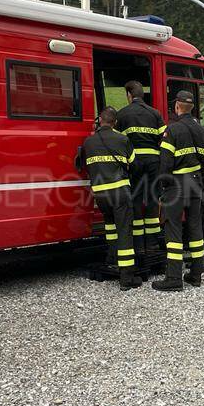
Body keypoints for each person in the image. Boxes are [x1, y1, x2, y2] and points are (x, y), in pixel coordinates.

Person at [152, 90, 204, 291]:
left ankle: (174, 278)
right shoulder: (201, 130)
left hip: (176, 186)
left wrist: (163, 186)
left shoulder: (173, 130)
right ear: (192, 107)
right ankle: (196, 274)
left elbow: (165, 163)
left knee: (173, 228)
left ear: (177, 106)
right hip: (196, 184)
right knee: (195, 227)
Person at [81, 107, 143, 290]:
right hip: (119, 192)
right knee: (124, 230)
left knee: (110, 226)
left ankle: (111, 259)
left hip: (100, 194)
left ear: (99, 120)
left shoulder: (89, 142)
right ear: (115, 122)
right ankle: (126, 278)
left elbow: (84, 164)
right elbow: (135, 166)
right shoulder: (122, 139)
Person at [115, 81, 165, 256]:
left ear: (129, 95)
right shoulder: (155, 113)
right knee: (152, 200)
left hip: (134, 162)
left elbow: (117, 141)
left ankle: (138, 245)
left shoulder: (122, 114)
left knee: (135, 200)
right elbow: (164, 140)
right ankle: (152, 244)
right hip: (153, 162)